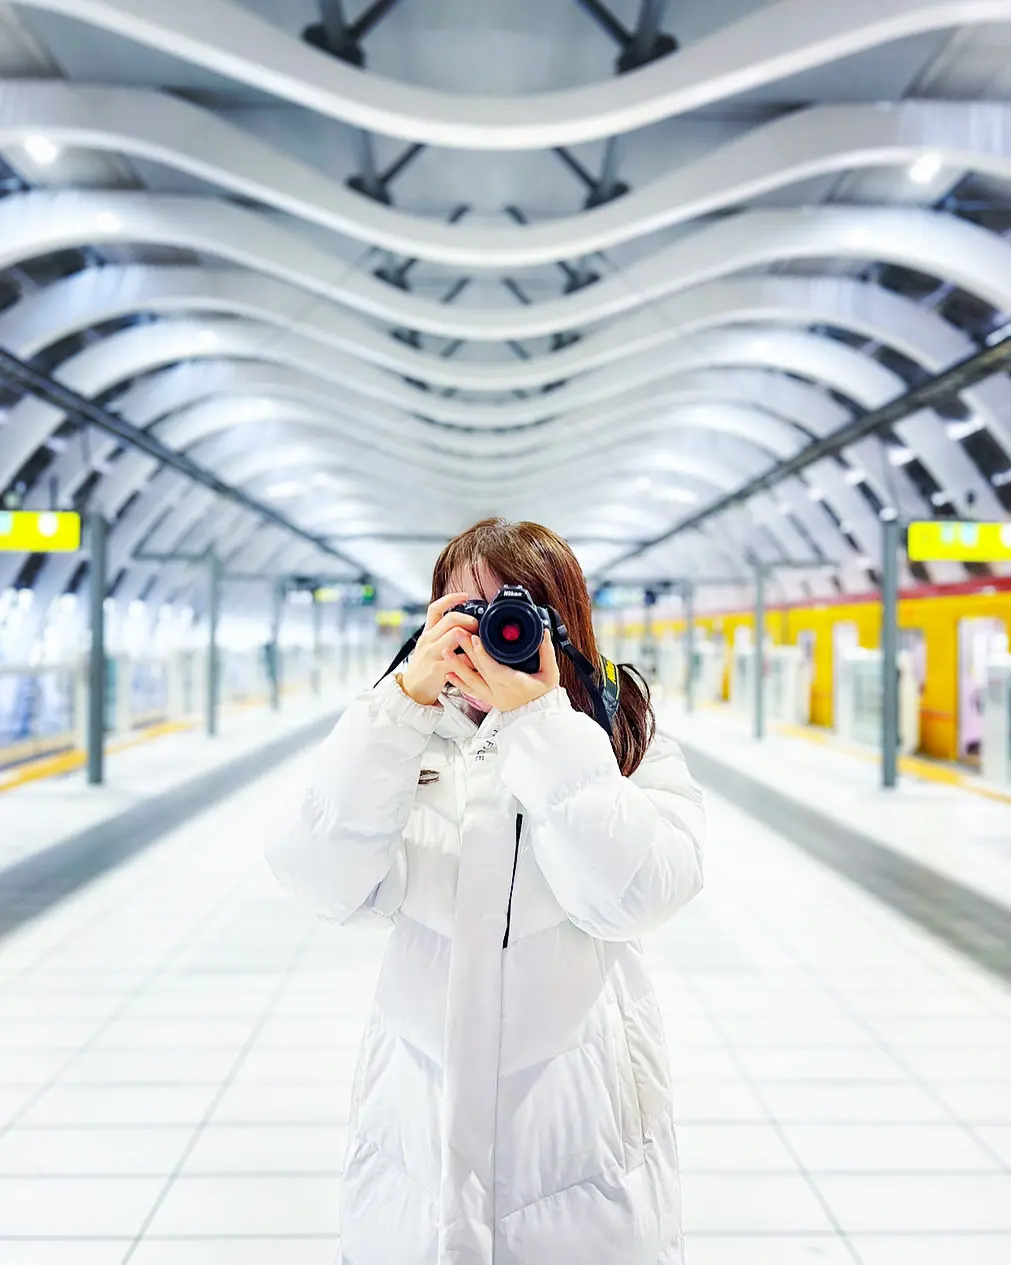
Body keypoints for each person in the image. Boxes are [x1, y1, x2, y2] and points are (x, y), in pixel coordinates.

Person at [266, 518, 705, 1265]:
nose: (493, 632)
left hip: (582, 1129)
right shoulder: (402, 737)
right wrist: (399, 706)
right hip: (415, 1120)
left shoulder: (622, 730)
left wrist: (541, 723)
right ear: (433, 621)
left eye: (517, 610)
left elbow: (636, 894)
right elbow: (319, 876)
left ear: (561, 626)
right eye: (467, 611)